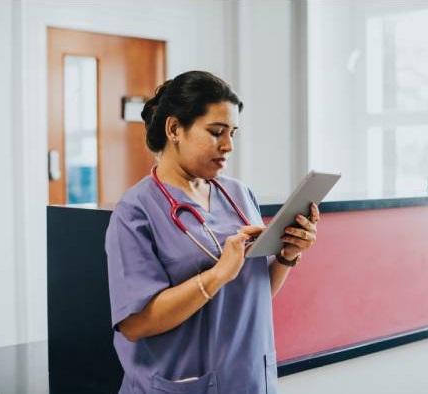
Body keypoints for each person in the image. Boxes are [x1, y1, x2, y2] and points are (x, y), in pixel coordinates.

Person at [105, 70, 319, 394]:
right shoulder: (136, 211)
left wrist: (287, 255)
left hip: (247, 378)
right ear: (174, 129)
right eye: (217, 132)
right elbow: (135, 324)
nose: (229, 145)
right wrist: (218, 274)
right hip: (181, 383)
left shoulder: (239, 194)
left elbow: (252, 292)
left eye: (233, 132)